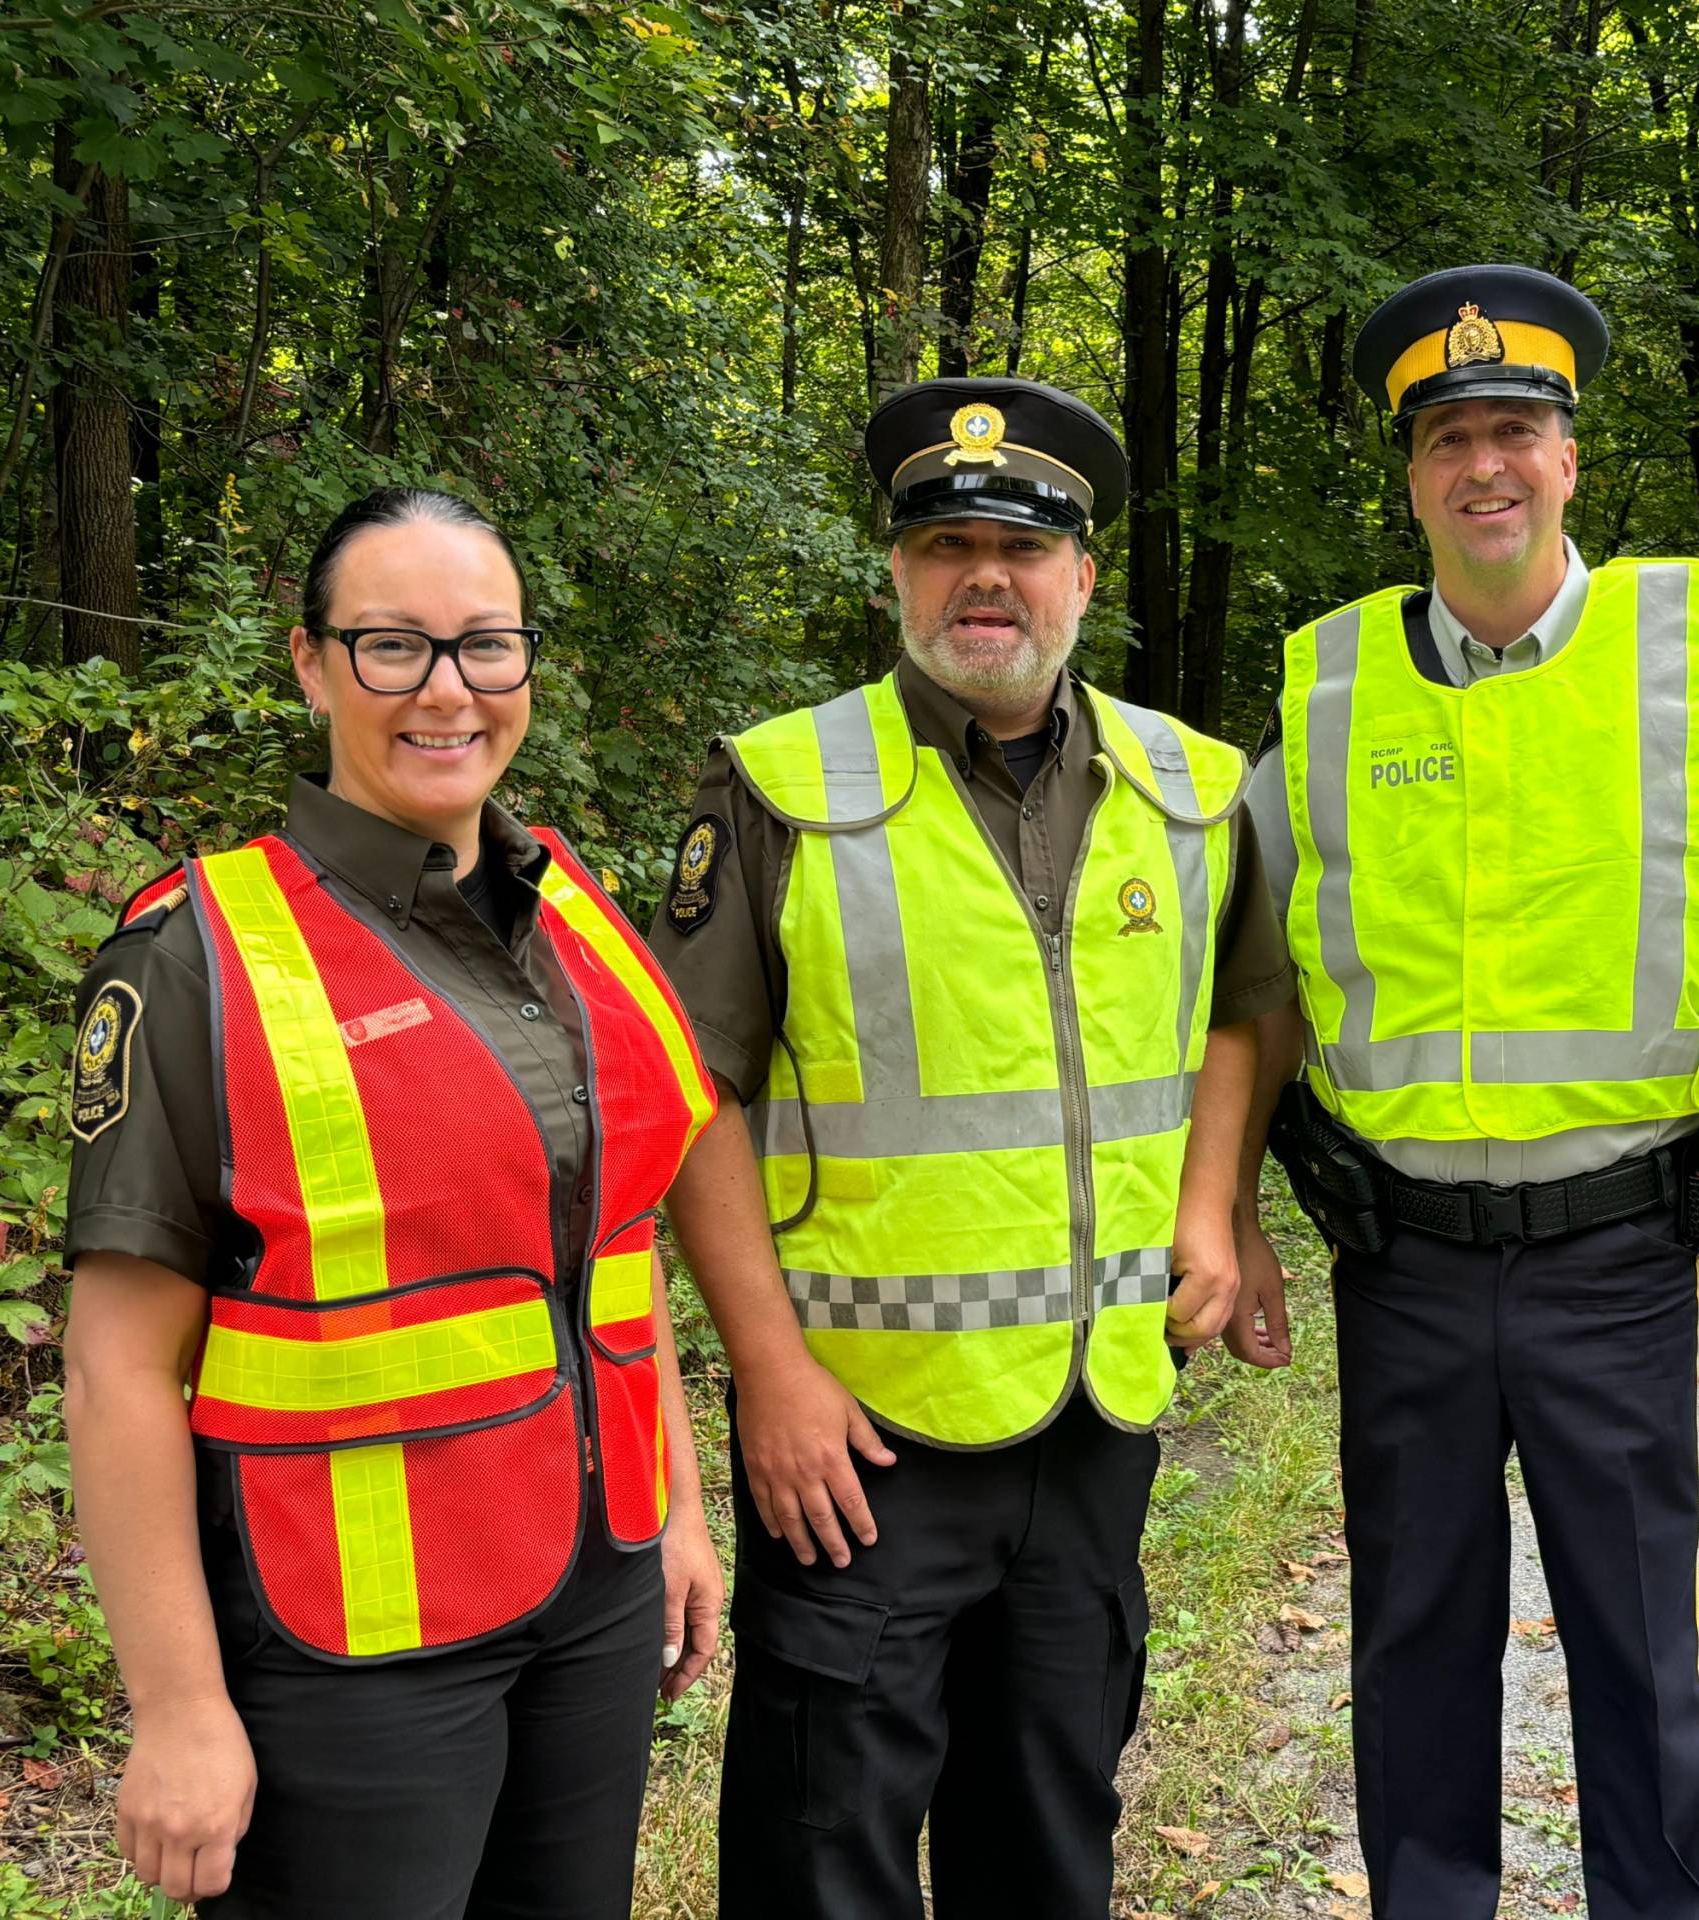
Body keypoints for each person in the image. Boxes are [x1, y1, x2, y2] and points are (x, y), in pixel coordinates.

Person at [1233, 265, 1699, 1920]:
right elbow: (1262, 992)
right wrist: (1223, 1212)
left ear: (1570, 459)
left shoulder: (1690, 663)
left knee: (1640, 1649)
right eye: (1449, 439)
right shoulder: (1328, 691)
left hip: (1616, 1256)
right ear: (1413, 475)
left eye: (1514, 431)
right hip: (1406, 1264)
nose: (1485, 467)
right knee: (1414, 1642)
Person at [649, 375, 1296, 1918]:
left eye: (1023, 548)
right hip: (860, 1432)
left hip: (1096, 1413)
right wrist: (770, 1375)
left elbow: (1246, 1010)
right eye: (947, 545)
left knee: (1050, 1836)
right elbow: (689, 1095)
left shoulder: (1192, 789)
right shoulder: (782, 788)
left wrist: (1215, 1205)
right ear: (897, 569)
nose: (984, 579)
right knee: (827, 1850)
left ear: (1084, 577)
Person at [62, 486, 724, 1917]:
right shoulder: (197, 957)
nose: (447, 690)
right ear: (312, 665)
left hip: (595, 1597)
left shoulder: (576, 911)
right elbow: (116, 1370)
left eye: (486, 644)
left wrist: (676, 1509)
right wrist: (178, 1710)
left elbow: (614, 1248)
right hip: (348, 1647)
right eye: (392, 646)